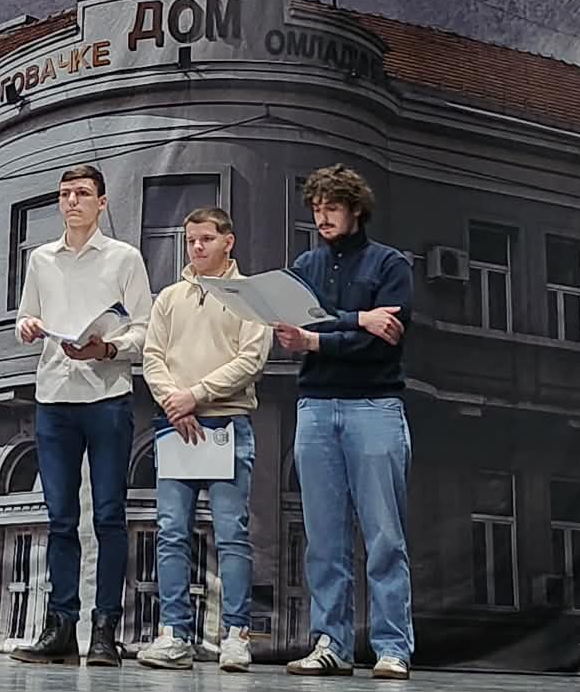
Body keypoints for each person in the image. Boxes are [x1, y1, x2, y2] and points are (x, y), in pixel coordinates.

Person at [10, 165, 154, 668]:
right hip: (54, 395)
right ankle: (61, 626)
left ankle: (106, 629)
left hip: (107, 394)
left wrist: (107, 347)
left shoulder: (124, 258)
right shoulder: (41, 259)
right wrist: (28, 326)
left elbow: (144, 331)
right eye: (65, 194)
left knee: (110, 515)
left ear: (102, 202)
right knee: (61, 518)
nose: (72, 201)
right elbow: (25, 318)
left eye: (82, 194)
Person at [273, 164, 413, 680]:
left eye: (331, 207)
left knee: (384, 536)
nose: (322, 216)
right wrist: (358, 319)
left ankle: (392, 647)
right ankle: (331, 643)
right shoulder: (305, 265)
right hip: (315, 406)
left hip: (374, 405)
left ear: (356, 209)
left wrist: (319, 337)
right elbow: (300, 324)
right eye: (316, 208)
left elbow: (383, 340)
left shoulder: (390, 264)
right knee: (324, 540)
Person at [137, 207, 268, 672]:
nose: (196, 246)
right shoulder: (170, 297)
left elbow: (251, 360)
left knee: (232, 535)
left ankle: (235, 635)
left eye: (206, 238)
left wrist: (195, 394)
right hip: (176, 424)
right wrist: (173, 401)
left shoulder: (250, 296)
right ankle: (175, 635)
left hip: (226, 423)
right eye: (191, 239)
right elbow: (152, 356)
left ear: (228, 242)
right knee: (171, 533)